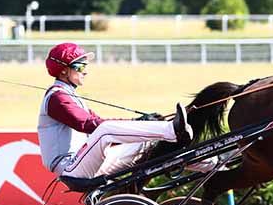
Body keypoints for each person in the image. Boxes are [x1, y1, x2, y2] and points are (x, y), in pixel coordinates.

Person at [37, 42, 194, 180]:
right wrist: (137, 123)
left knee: (150, 145)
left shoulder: (69, 95)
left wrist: (138, 122)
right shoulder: (57, 98)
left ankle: (208, 163)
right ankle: (172, 130)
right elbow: (90, 125)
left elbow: (97, 121)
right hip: (70, 167)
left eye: (86, 66)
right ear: (64, 70)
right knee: (105, 130)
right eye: (80, 66)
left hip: (86, 160)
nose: (85, 71)